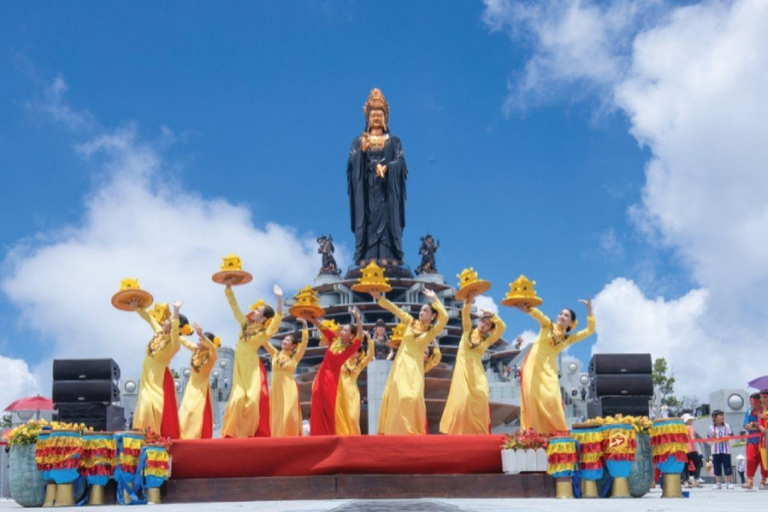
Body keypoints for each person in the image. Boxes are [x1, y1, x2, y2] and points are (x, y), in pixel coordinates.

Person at [370, 288, 448, 435]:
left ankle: (412, 430)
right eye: (421, 310)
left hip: (416, 367)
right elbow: (395, 309)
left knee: (414, 397)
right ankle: (396, 431)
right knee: (399, 397)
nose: (421, 312)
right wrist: (379, 297)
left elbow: (444, 318)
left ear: (432, 316)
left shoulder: (431, 332)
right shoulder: (410, 322)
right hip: (401, 365)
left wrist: (434, 298)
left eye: (425, 311)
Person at [514, 299, 596, 434]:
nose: (562, 316)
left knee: (552, 398)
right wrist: (528, 309)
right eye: (561, 314)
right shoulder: (548, 325)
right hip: (533, 365)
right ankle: (533, 433)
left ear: (571, 323)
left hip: (549, 369)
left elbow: (590, 330)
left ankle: (557, 432)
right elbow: (539, 315)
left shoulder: (568, 339)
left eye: (566, 315)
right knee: (532, 397)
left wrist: (589, 310)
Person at [221, 284, 284, 438]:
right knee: (236, 400)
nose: (253, 311)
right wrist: (228, 288)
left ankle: (248, 434)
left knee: (252, 403)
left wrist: (279, 298)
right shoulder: (245, 325)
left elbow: (277, 320)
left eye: (258, 311)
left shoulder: (264, 333)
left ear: (262, 318)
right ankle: (232, 434)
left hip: (251, 369)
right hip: (239, 369)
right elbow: (235, 309)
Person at [440, 290, 506, 435]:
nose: (484, 325)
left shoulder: (487, 340)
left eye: (488, 324)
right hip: (463, 369)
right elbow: (465, 315)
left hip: (477, 370)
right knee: (463, 400)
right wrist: (468, 302)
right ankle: (459, 431)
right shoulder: (468, 331)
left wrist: (493, 316)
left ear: (489, 329)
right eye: (483, 321)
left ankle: (479, 432)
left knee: (481, 396)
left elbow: (502, 328)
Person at [133, 299, 189, 438]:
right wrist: (137, 308)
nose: (164, 320)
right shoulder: (159, 333)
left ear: (175, 325)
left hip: (158, 380)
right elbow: (150, 319)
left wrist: (176, 311)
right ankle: (142, 437)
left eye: (169, 320)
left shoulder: (174, 345)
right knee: (143, 406)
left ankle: (153, 437)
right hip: (147, 378)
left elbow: (175, 332)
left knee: (149, 406)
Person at [308, 308, 363, 435]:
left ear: (351, 335)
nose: (342, 332)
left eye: (346, 330)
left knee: (329, 406)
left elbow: (360, 336)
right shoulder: (333, 340)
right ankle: (317, 434)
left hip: (332, 379)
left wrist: (357, 318)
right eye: (342, 329)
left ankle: (329, 434)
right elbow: (323, 328)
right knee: (317, 403)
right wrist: (311, 319)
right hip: (321, 375)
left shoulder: (350, 348)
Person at [263, 319, 309, 437]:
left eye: (287, 340)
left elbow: (304, 345)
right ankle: (278, 438)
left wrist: (304, 326)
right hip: (277, 389)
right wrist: (262, 326)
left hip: (289, 388)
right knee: (277, 415)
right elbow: (264, 341)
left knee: (289, 413)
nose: (284, 341)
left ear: (293, 346)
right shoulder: (275, 353)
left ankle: (291, 437)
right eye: (284, 339)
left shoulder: (295, 358)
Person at [179, 324, 220, 439]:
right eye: (199, 339)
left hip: (201, 389)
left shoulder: (212, 356)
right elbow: (185, 342)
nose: (198, 341)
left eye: (201, 340)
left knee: (195, 412)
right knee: (186, 411)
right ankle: (184, 437)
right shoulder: (195, 351)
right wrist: (174, 330)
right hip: (190, 387)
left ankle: (195, 437)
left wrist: (202, 335)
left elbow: (213, 348)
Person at [335, 331, 375, 435]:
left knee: (352, 418)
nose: (353, 351)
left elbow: (370, 355)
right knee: (340, 418)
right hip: (339, 392)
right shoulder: (342, 360)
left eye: (356, 350)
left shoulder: (359, 364)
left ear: (359, 354)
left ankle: (354, 440)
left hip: (352, 393)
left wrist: (369, 339)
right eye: (352, 349)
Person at [742, 392, 766, 489]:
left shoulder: (764, 411)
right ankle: (750, 481)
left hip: (763, 440)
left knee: (764, 460)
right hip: (752, 440)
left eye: (753, 401)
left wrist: (754, 425)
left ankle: (764, 480)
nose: (751, 403)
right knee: (750, 459)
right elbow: (746, 425)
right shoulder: (748, 411)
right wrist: (756, 426)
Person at [707, 409, 734, 489]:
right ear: (714, 418)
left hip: (726, 450)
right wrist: (713, 437)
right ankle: (718, 483)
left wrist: (726, 438)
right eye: (720, 415)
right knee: (717, 466)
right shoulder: (711, 428)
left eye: (722, 415)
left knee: (727, 466)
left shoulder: (727, 426)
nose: (722, 417)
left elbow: (731, 436)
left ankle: (729, 482)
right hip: (716, 450)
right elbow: (708, 440)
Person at [681, 413, 702, 487]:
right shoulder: (690, 427)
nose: (691, 421)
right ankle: (695, 480)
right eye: (690, 420)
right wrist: (696, 438)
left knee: (685, 466)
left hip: (683, 449)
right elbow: (692, 438)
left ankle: (686, 482)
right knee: (698, 464)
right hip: (691, 448)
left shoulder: (680, 428)